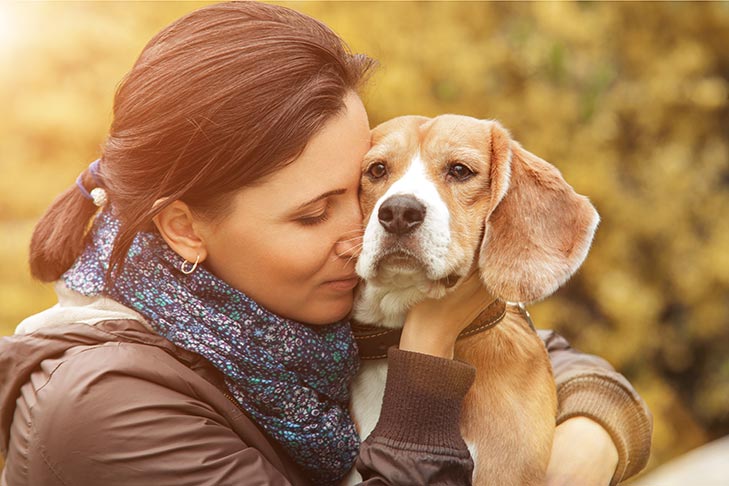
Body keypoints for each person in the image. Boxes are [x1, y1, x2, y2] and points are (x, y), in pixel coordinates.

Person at [0, 2, 651, 485]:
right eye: (314, 214)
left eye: (357, 190)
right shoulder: (104, 409)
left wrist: (584, 446)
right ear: (185, 229)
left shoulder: (279, 300)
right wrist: (424, 354)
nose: (358, 234)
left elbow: (544, 356)